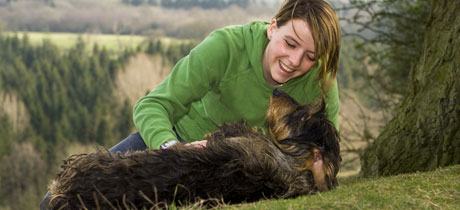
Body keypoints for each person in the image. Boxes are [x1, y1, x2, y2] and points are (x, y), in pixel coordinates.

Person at [40, 0, 340, 208]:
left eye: (310, 56)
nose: (295, 61)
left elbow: (325, 153)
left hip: (238, 171)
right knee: (58, 202)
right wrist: (172, 147)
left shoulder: (321, 82)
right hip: (172, 142)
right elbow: (153, 105)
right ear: (273, 27)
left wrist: (318, 175)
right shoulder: (227, 46)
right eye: (290, 43)